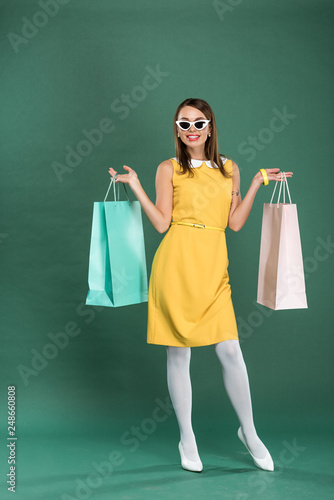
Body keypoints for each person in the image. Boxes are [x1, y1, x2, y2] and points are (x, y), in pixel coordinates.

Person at [108, 97, 293, 473]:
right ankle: (186, 437)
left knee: (230, 351)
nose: (191, 130)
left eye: (198, 122)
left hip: (213, 268)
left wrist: (256, 182)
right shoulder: (169, 168)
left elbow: (235, 223)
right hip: (175, 265)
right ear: (176, 129)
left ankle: (250, 432)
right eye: (183, 124)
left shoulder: (230, 169)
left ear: (210, 125)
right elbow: (161, 223)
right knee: (179, 354)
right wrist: (137, 186)